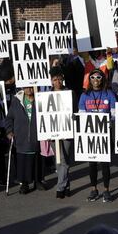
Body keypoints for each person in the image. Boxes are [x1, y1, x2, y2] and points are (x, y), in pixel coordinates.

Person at [78, 68, 116, 203]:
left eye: (98, 77)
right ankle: (94, 189)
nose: (95, 80)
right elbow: (82, 115)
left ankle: (106, 190)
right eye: (92, 77)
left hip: (105, 134)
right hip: (90, 134)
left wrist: (107, 123)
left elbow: (114, 115)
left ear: (103, 79)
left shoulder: (109, 94)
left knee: (105, 164)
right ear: (89, 80)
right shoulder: (84, 96)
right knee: (92, 164)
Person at [5, 87, 46, 194]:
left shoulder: (41, 98)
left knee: (37, 159)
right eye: (26, 86)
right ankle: (24, 183)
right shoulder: (16, 100)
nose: (29, 89)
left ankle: (38, 181)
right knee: (23, 160)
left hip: (37, 136)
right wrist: (9, 131)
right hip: (21, 137)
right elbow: (9, 118)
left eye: (31, 86)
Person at [48, 66, 76, 199]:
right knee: (58, 160)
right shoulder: (47, 95)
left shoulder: (70, 93)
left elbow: (75, 110)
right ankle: (66, 185)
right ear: (51, 81)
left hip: (67, 130)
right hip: (53, 131)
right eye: (55, 79)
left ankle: (60, 187)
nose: (58, 82)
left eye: (60, 79)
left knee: (64, 159)